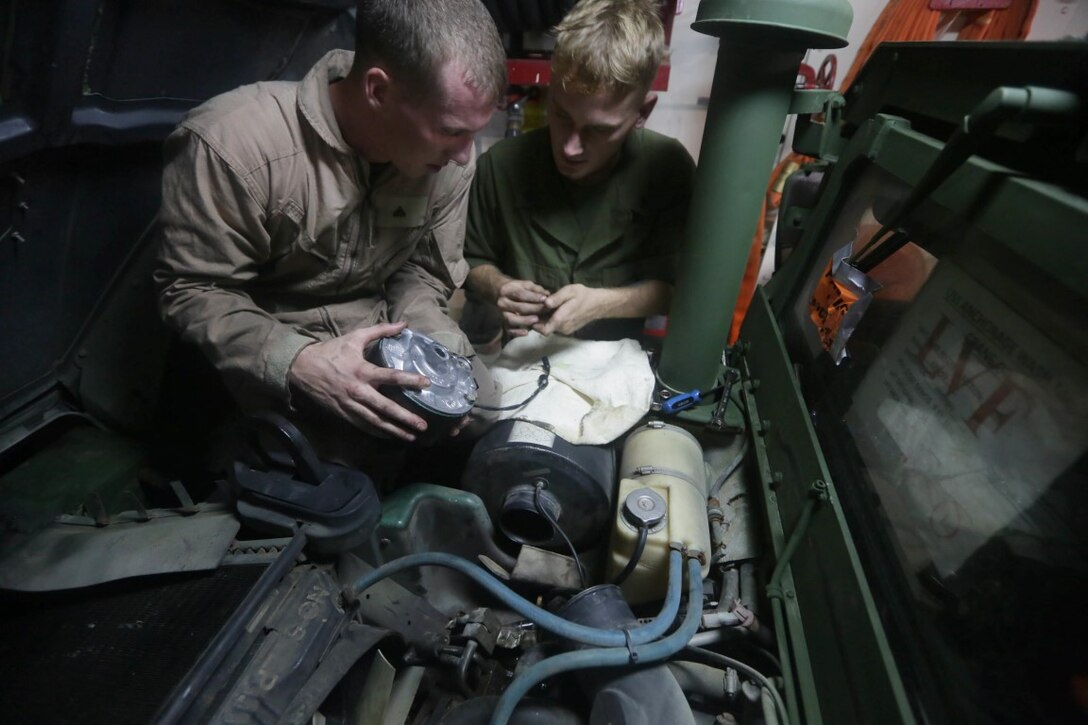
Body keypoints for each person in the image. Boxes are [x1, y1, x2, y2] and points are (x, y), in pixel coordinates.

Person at [154, 0, 507, 457]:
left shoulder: (451, 161)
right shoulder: (234, 145)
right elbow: (193, 290)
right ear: (378, 90)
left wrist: (437, 349)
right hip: (268, 325)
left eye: (473, 134)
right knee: (326, 449)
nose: (465, 154)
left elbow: (422, 271)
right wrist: (296, 361)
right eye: (451, 131)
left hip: (375, 321)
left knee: (479, 408)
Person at [463, 0, 695, 343]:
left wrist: (605, 304)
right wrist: (498, 286)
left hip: (615, 365)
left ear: (641, 114)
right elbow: (469, 259)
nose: (570, 147)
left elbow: (683, 289)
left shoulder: (668, 169)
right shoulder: (500, 167)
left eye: (599, 130)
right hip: (520, 364)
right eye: (560, 115)